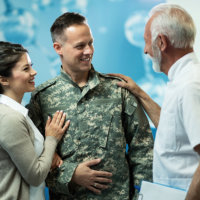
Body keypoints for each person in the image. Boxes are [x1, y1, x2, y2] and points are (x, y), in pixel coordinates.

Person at [27, 12, 154, 200]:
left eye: (91, 43)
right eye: (80, 46)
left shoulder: (118, 89)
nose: (89, 51)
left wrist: (143, 196)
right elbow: (32, 162)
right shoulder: (42, 98)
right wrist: (71, 175)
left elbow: (143, 148)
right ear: (58, 48)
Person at [110, 2, 200, 192]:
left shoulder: (190, 85)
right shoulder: (182, 80)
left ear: (161, 42)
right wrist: (140, 93)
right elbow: (173, 129)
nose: (145, 50)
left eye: (146, 41)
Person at [0, 41, 70, 200]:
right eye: (26, 69)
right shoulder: (9, 118)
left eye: (31, 65)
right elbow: (36, 175)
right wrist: (51, 140)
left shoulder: (18, 112)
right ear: (4, 80)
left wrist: (49, 155)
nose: (34, 72)